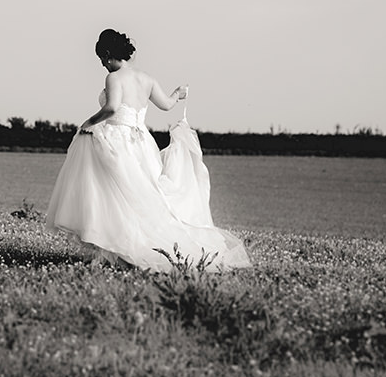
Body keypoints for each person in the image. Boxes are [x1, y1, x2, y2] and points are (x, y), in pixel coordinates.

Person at [45, 29, 251, 272]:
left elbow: (111, 108)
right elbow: (166, 105)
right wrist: (178, 93)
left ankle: (123, 249)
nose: (102, 65)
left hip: (117, 140)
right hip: (143, 144)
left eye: (102, 59)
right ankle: (130, 251)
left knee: (113, 196)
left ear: (109, 55)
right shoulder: (147, 78)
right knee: (144, 197)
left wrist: (88, 123)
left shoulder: (114, 78)